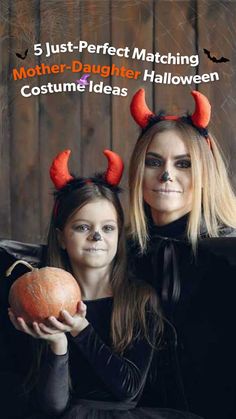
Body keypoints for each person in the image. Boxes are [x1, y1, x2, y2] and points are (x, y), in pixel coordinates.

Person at [6, 149, 202, 419]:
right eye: (83, 227)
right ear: (62, 238)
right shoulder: (40, 301)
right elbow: (53, 407)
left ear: (119, 236)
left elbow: (128, 390)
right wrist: (58, 344)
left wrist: (80, 328)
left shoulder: (139, 299)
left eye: (107, 228)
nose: (97, 236)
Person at [128, 88, 236, 419]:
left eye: (184, 164)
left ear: (205, 173)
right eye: (154, 161)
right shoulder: (120, 253)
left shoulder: (229, 253)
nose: (167, 174)